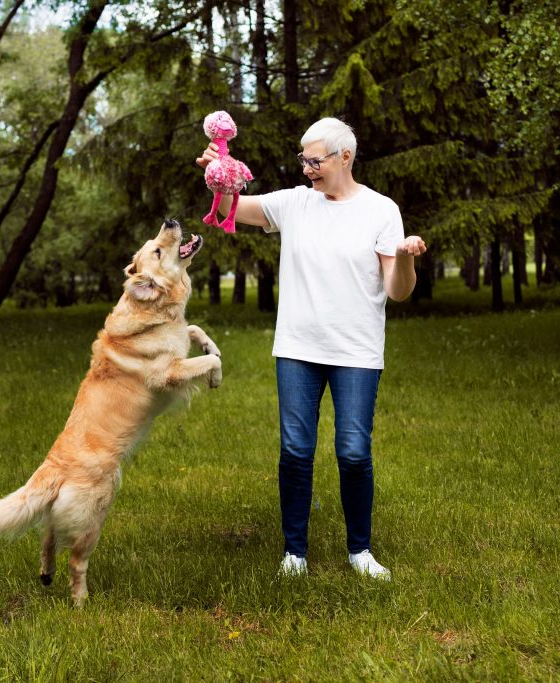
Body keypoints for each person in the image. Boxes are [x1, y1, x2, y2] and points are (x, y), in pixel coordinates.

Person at [196, 117, 426, 580]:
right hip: (298, 348)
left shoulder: (381, 210)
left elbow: (398, 291)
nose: (306, 169)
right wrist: (219, 174)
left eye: (315, 160)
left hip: (357, 353)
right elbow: (229, 211)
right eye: (303, 159)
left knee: (354, 451)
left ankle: (359, 551)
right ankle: (294, 553)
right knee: (297, 450)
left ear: (346, 157)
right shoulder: (293, 204)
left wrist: (403, 257)